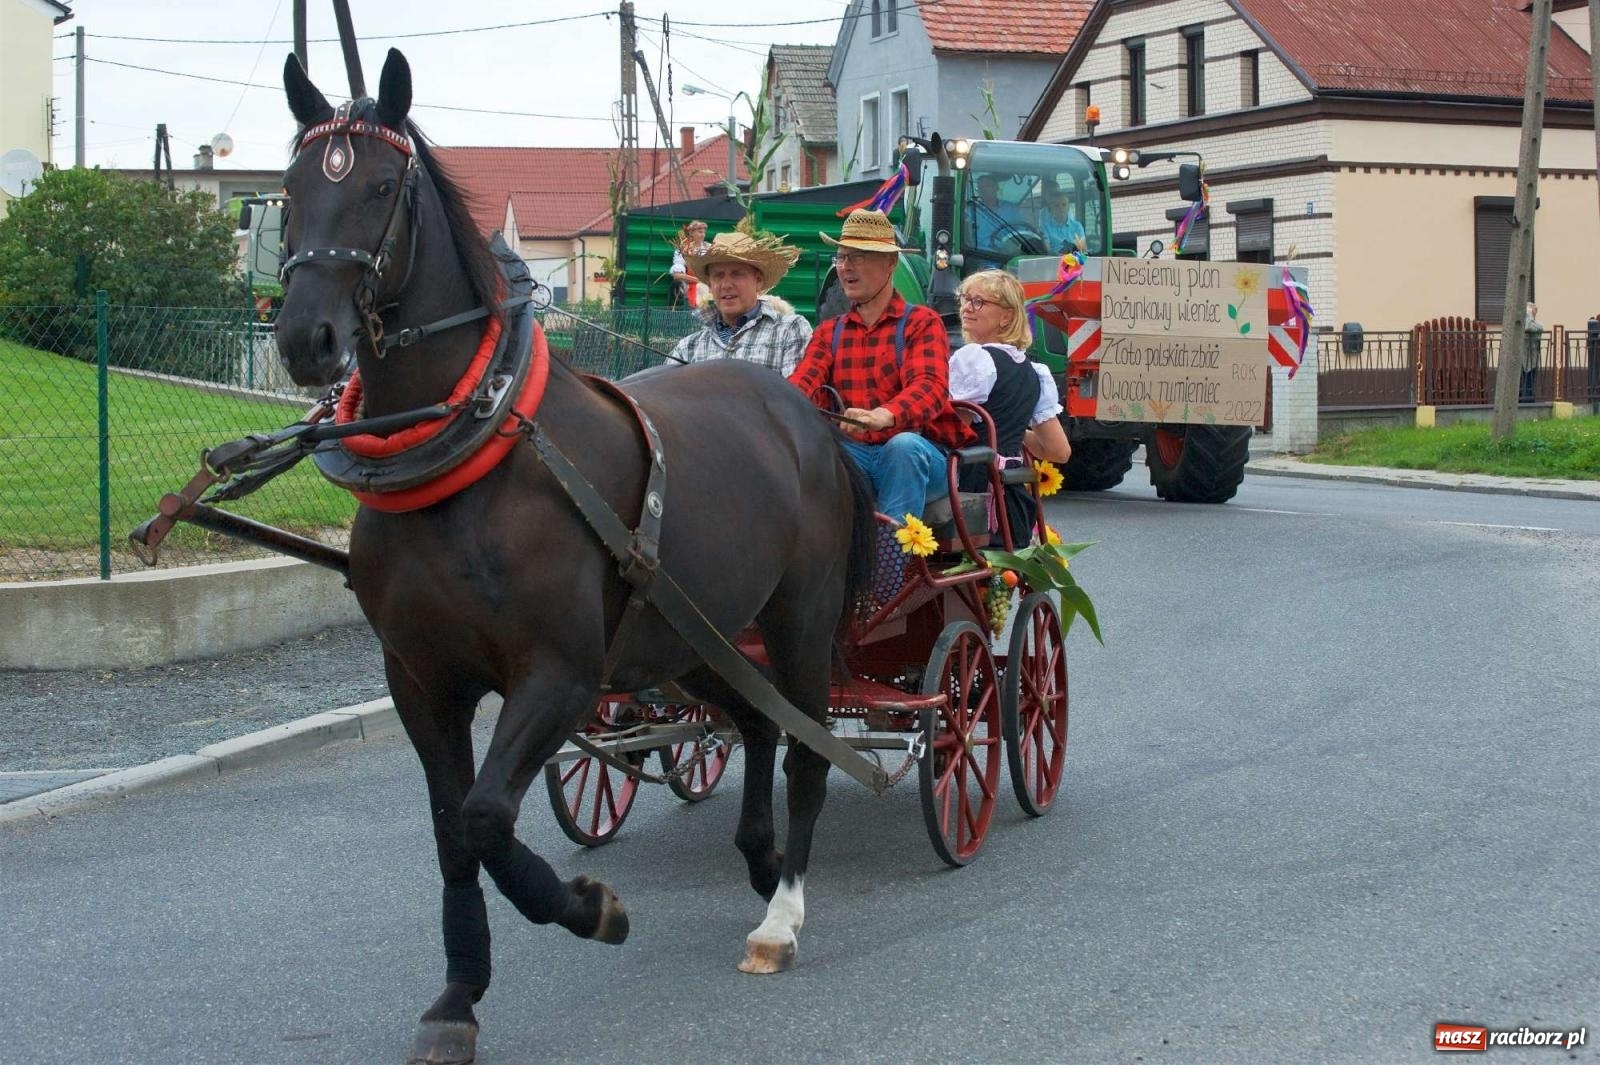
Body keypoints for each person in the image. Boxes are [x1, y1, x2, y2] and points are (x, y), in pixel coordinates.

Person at [788, 209, 974, 524]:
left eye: (859, 257)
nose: (846, 266)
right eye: (842, 257)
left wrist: (883, 415)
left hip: (921, 455)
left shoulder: (921, 323)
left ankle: (888, 568)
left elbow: (929, 387)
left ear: (890, 263)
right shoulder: (828, 332)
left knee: (902, 448)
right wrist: (767, 403)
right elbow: (803, 383)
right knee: (815, 451)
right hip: (856, 455)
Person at [949, 270, 1072, 545]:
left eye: (978, 301)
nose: (966, 308)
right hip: (1012, 494)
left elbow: (952, 432)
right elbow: (1058, 450)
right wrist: (1012, 432)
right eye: (965, 299)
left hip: (974, 488)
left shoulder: (974, 358)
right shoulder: (1033, 371)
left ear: (1006, 316)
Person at [666, 230, 812, 375]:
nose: (726, 285)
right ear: (710, 284)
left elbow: (793, 396)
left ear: (758, 281)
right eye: (718, 275)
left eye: (737, 274)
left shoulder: (789, 331)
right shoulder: (688, 348)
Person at [970, 173, 1026, 251]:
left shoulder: (1011, 208)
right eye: (980, 187)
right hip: (981, 256)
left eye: (987, 186)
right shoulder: (971, 211)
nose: (983, 190)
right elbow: (968, 238)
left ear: (996, 188)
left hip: (1008, 254)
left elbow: (1022, 231)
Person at [669, 220, 709, 308]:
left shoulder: (709, 248)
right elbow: (677, 275)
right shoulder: (683, 249)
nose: (703, 235)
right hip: (690, 284)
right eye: (700, 232)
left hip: (709, 283)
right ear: (691, 233)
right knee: (700, 287)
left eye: (704, 232)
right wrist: (699, 280)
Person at [1039, 183, 1086, 254]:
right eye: (1056, 205)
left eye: (1064, 205)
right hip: (1053, 262)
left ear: (1068, 207)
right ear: (1051, 208)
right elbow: (1046, 251)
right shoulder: (1045, 227)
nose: (1061, 208)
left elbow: (1083, 251)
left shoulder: (1077, 226)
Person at [1521, 300, 1542, 403]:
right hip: (1522, 358)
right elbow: (1525, 327)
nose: (1528, 312)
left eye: (1530, 309)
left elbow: (1528, 327)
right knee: (1522, 382)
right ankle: (1522, 401)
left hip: (1532, 359)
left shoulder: (1538, 325)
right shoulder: (1522, 324)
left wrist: (1529, 315)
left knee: (1529, 382)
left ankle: (1528, 402)